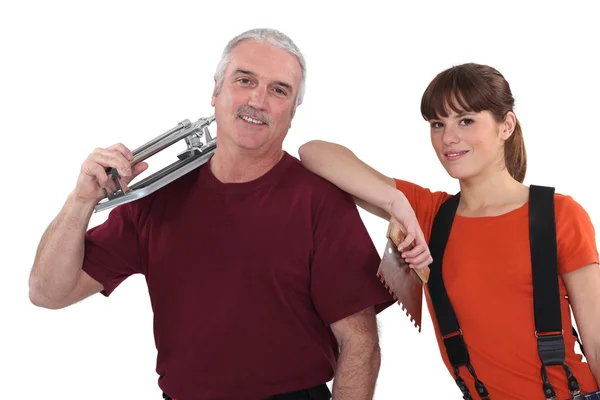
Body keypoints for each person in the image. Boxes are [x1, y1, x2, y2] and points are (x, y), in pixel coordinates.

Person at [28, 28, 396, 400]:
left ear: (292, 111)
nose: (258, 99)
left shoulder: (321, 200)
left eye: (279, 90)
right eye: (244, 80)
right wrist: (80, 201)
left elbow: (360, 343)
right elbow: (48, 293)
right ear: (216, 91)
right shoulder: (157, 197)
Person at [298, 63, 600, 399]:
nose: (448, 137)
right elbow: (313, 153)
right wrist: (395, 203)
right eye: (437, 124)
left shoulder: (557, 214)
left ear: (506, 126)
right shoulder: (429, 215)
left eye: (466, 121)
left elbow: (597, 341)